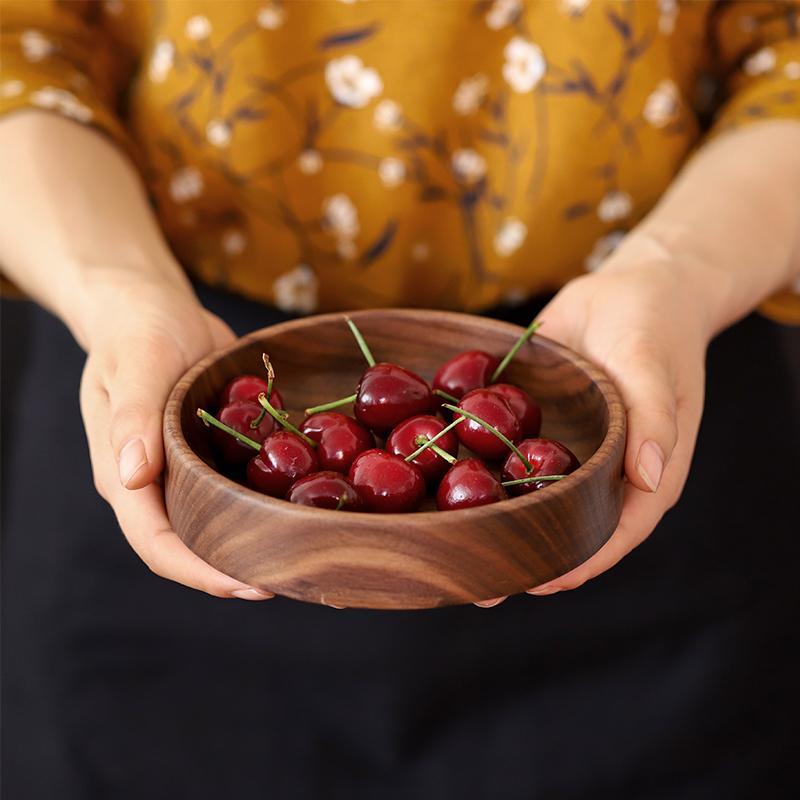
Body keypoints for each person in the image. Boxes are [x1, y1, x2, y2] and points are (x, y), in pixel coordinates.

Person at [2, 1, 799, 797]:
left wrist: (680, 271)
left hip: (630, 380)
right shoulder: (255, 420)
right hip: (176, 388)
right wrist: (118, 291)